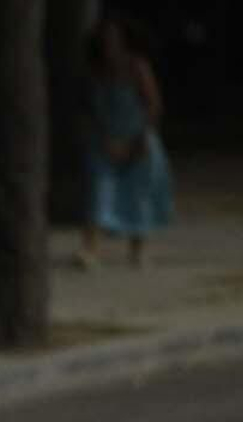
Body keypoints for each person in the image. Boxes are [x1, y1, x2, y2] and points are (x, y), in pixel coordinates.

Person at [78, 13, 173, 269]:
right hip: (105, 141)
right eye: (106, 39)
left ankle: (138, 251)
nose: (110, 44)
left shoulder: (137, 67)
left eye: (115, 39)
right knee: (98, 190)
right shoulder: (95, 71)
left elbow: (153, 106)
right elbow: (90, 111)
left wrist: (138, 140)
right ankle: (91, 249)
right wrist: (105, 140)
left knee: (139, 194)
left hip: (137, 139)